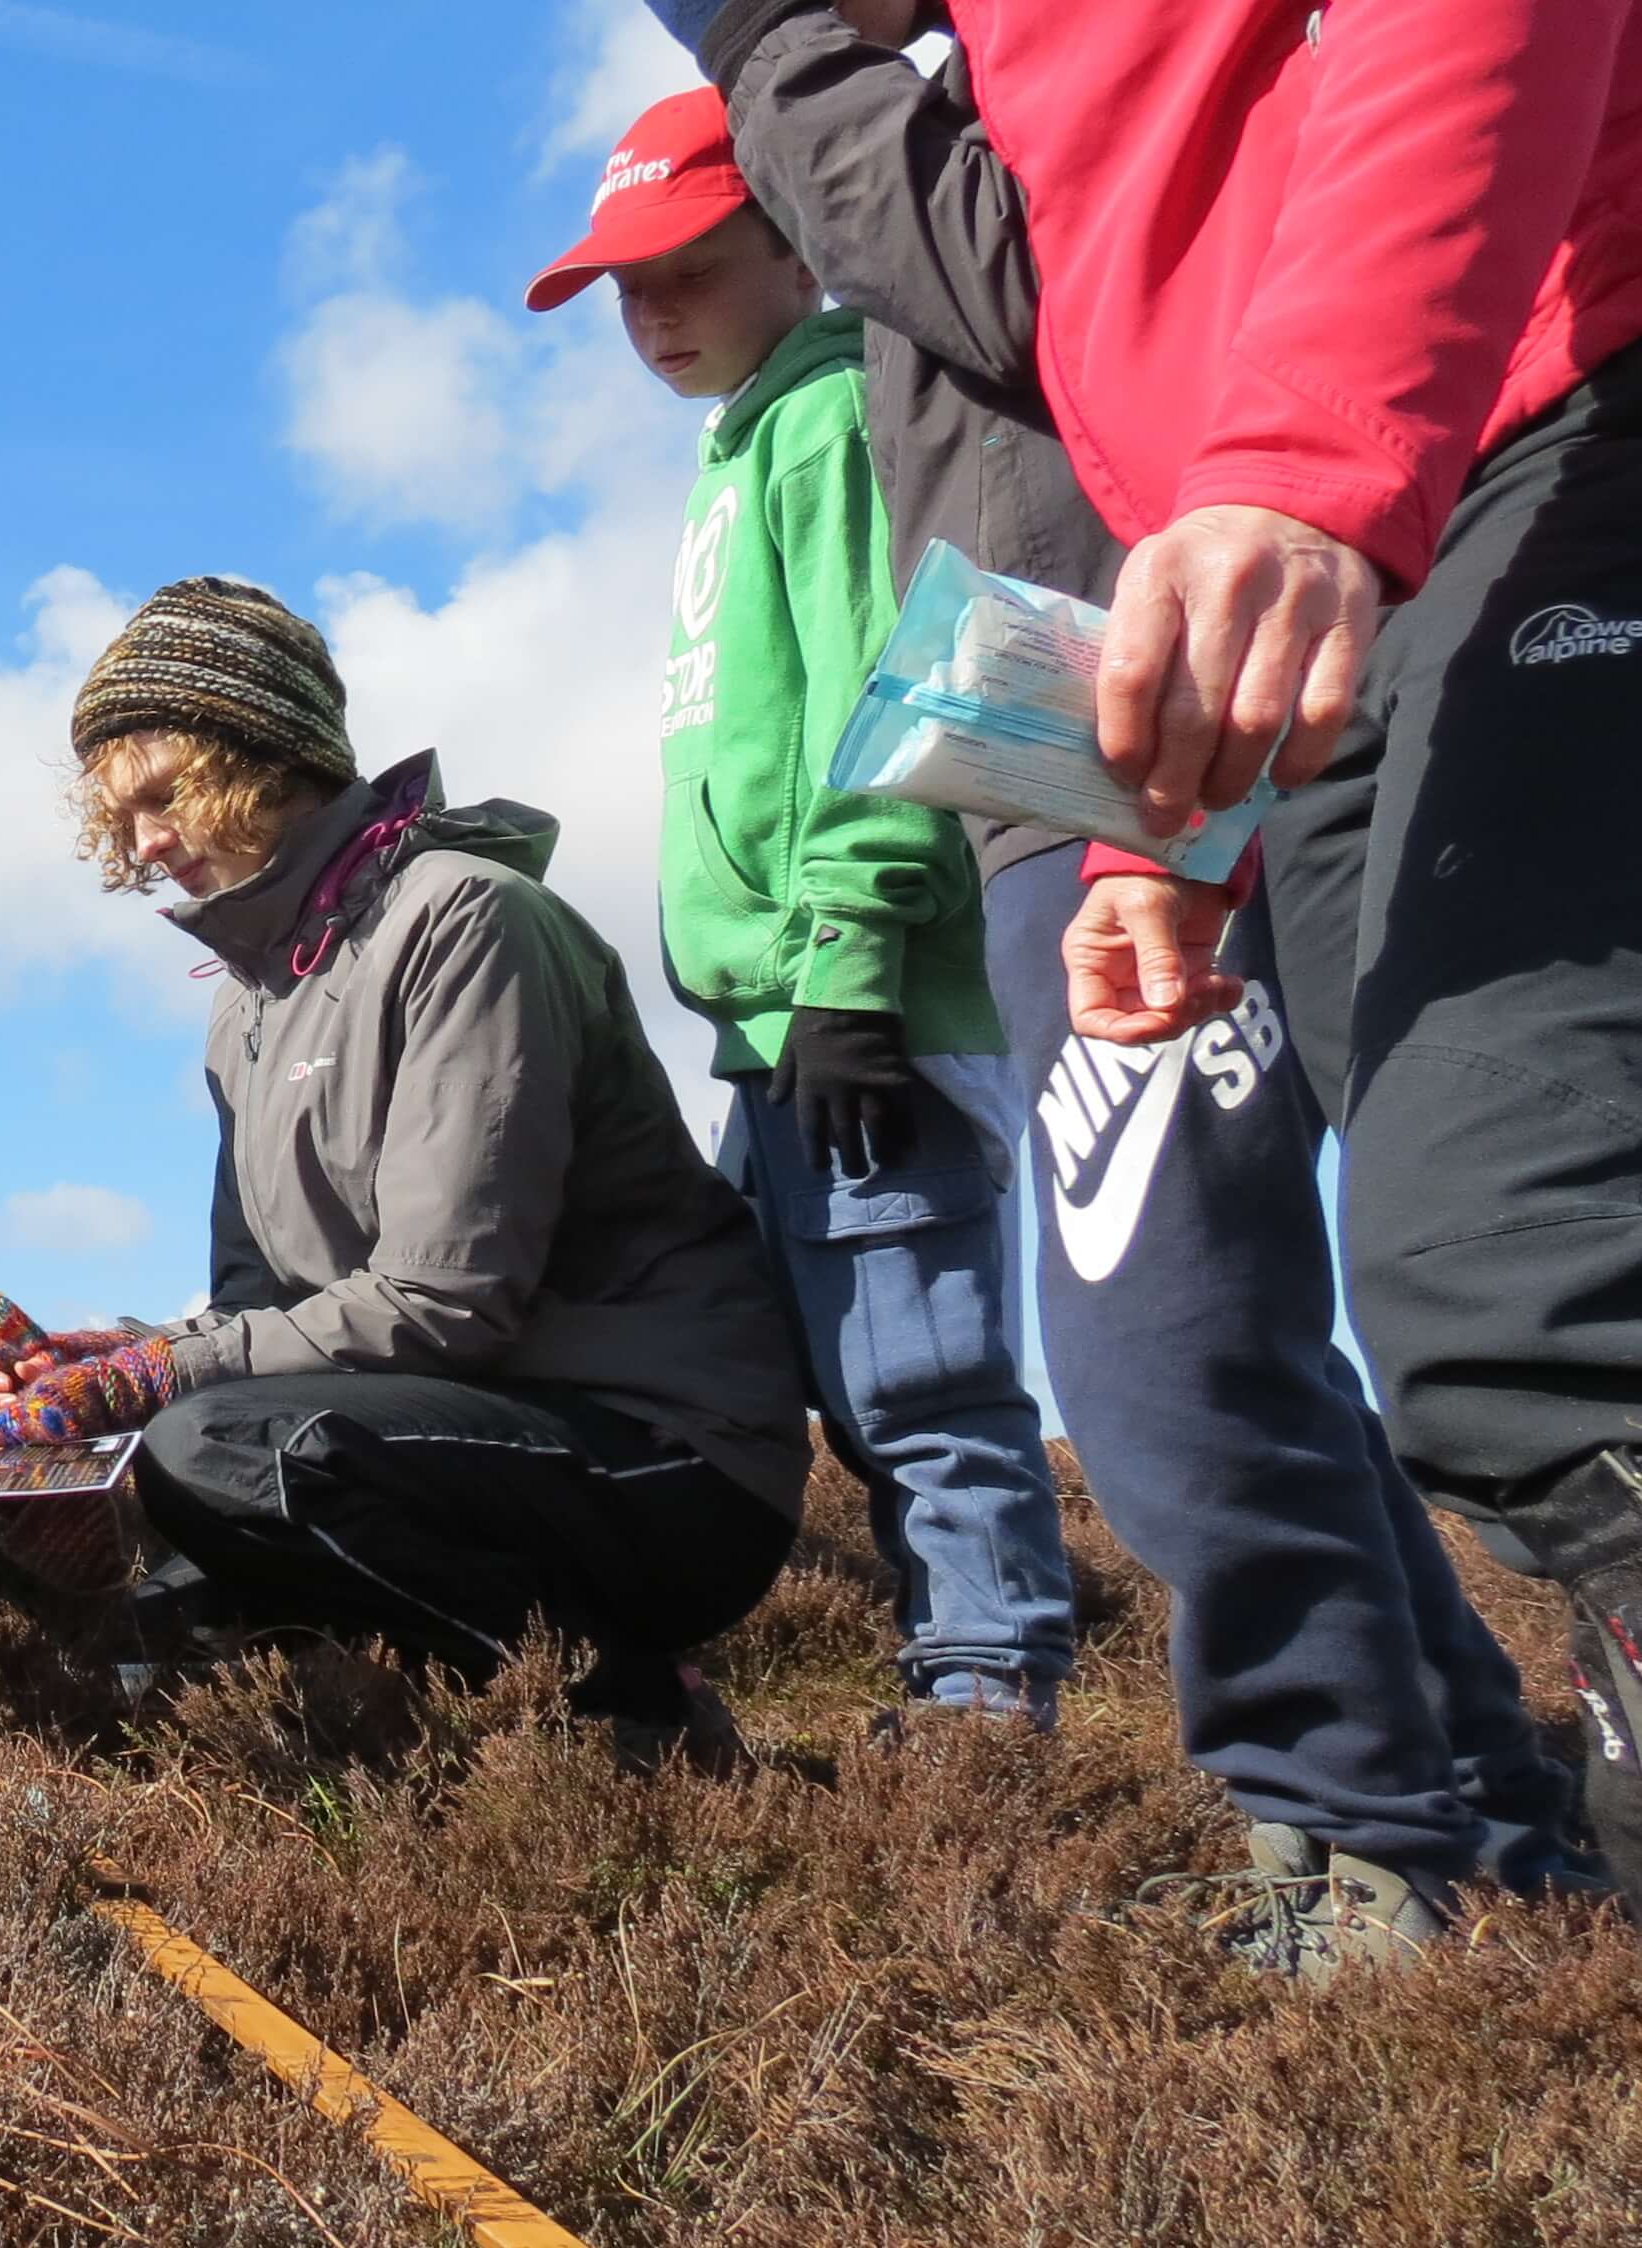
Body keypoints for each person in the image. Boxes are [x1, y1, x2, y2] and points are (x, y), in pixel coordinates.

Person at [650, 0, 1642, 1905]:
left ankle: (1412, 1831)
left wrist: (1305, 466)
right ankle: (1488, 1844)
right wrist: (1179, 814)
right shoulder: (1013, 68)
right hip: (1339, 567)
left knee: (1522, 1262)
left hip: (1537, 405)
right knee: (1463, 1319)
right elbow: (1186, 264)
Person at [0, 578, 808, 1758]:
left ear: (264, 751)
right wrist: (96, 1355)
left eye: (165, 796)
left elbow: (447, 1300)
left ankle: (621, 1717)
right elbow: (255, 1315)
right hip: (471, 1431)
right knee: (182, 1535)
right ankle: (445, 1726)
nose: (144, 847)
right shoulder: (243, 1012)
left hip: (663, 1452)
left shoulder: (467, 921)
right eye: (121, 819)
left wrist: (156, 1378)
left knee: (217, 1448)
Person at [528, 90, 1075, 1724]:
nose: (648, 313)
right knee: (733, 1373)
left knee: (916, 1383)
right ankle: (664, 1677)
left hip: (873, 1005)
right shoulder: (743, 441)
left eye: (684, 267)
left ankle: (990, 1722)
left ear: (792, 237)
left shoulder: (830, 421)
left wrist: (847, 963)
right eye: (621, 287)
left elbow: (885, 693)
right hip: (778, 1030)